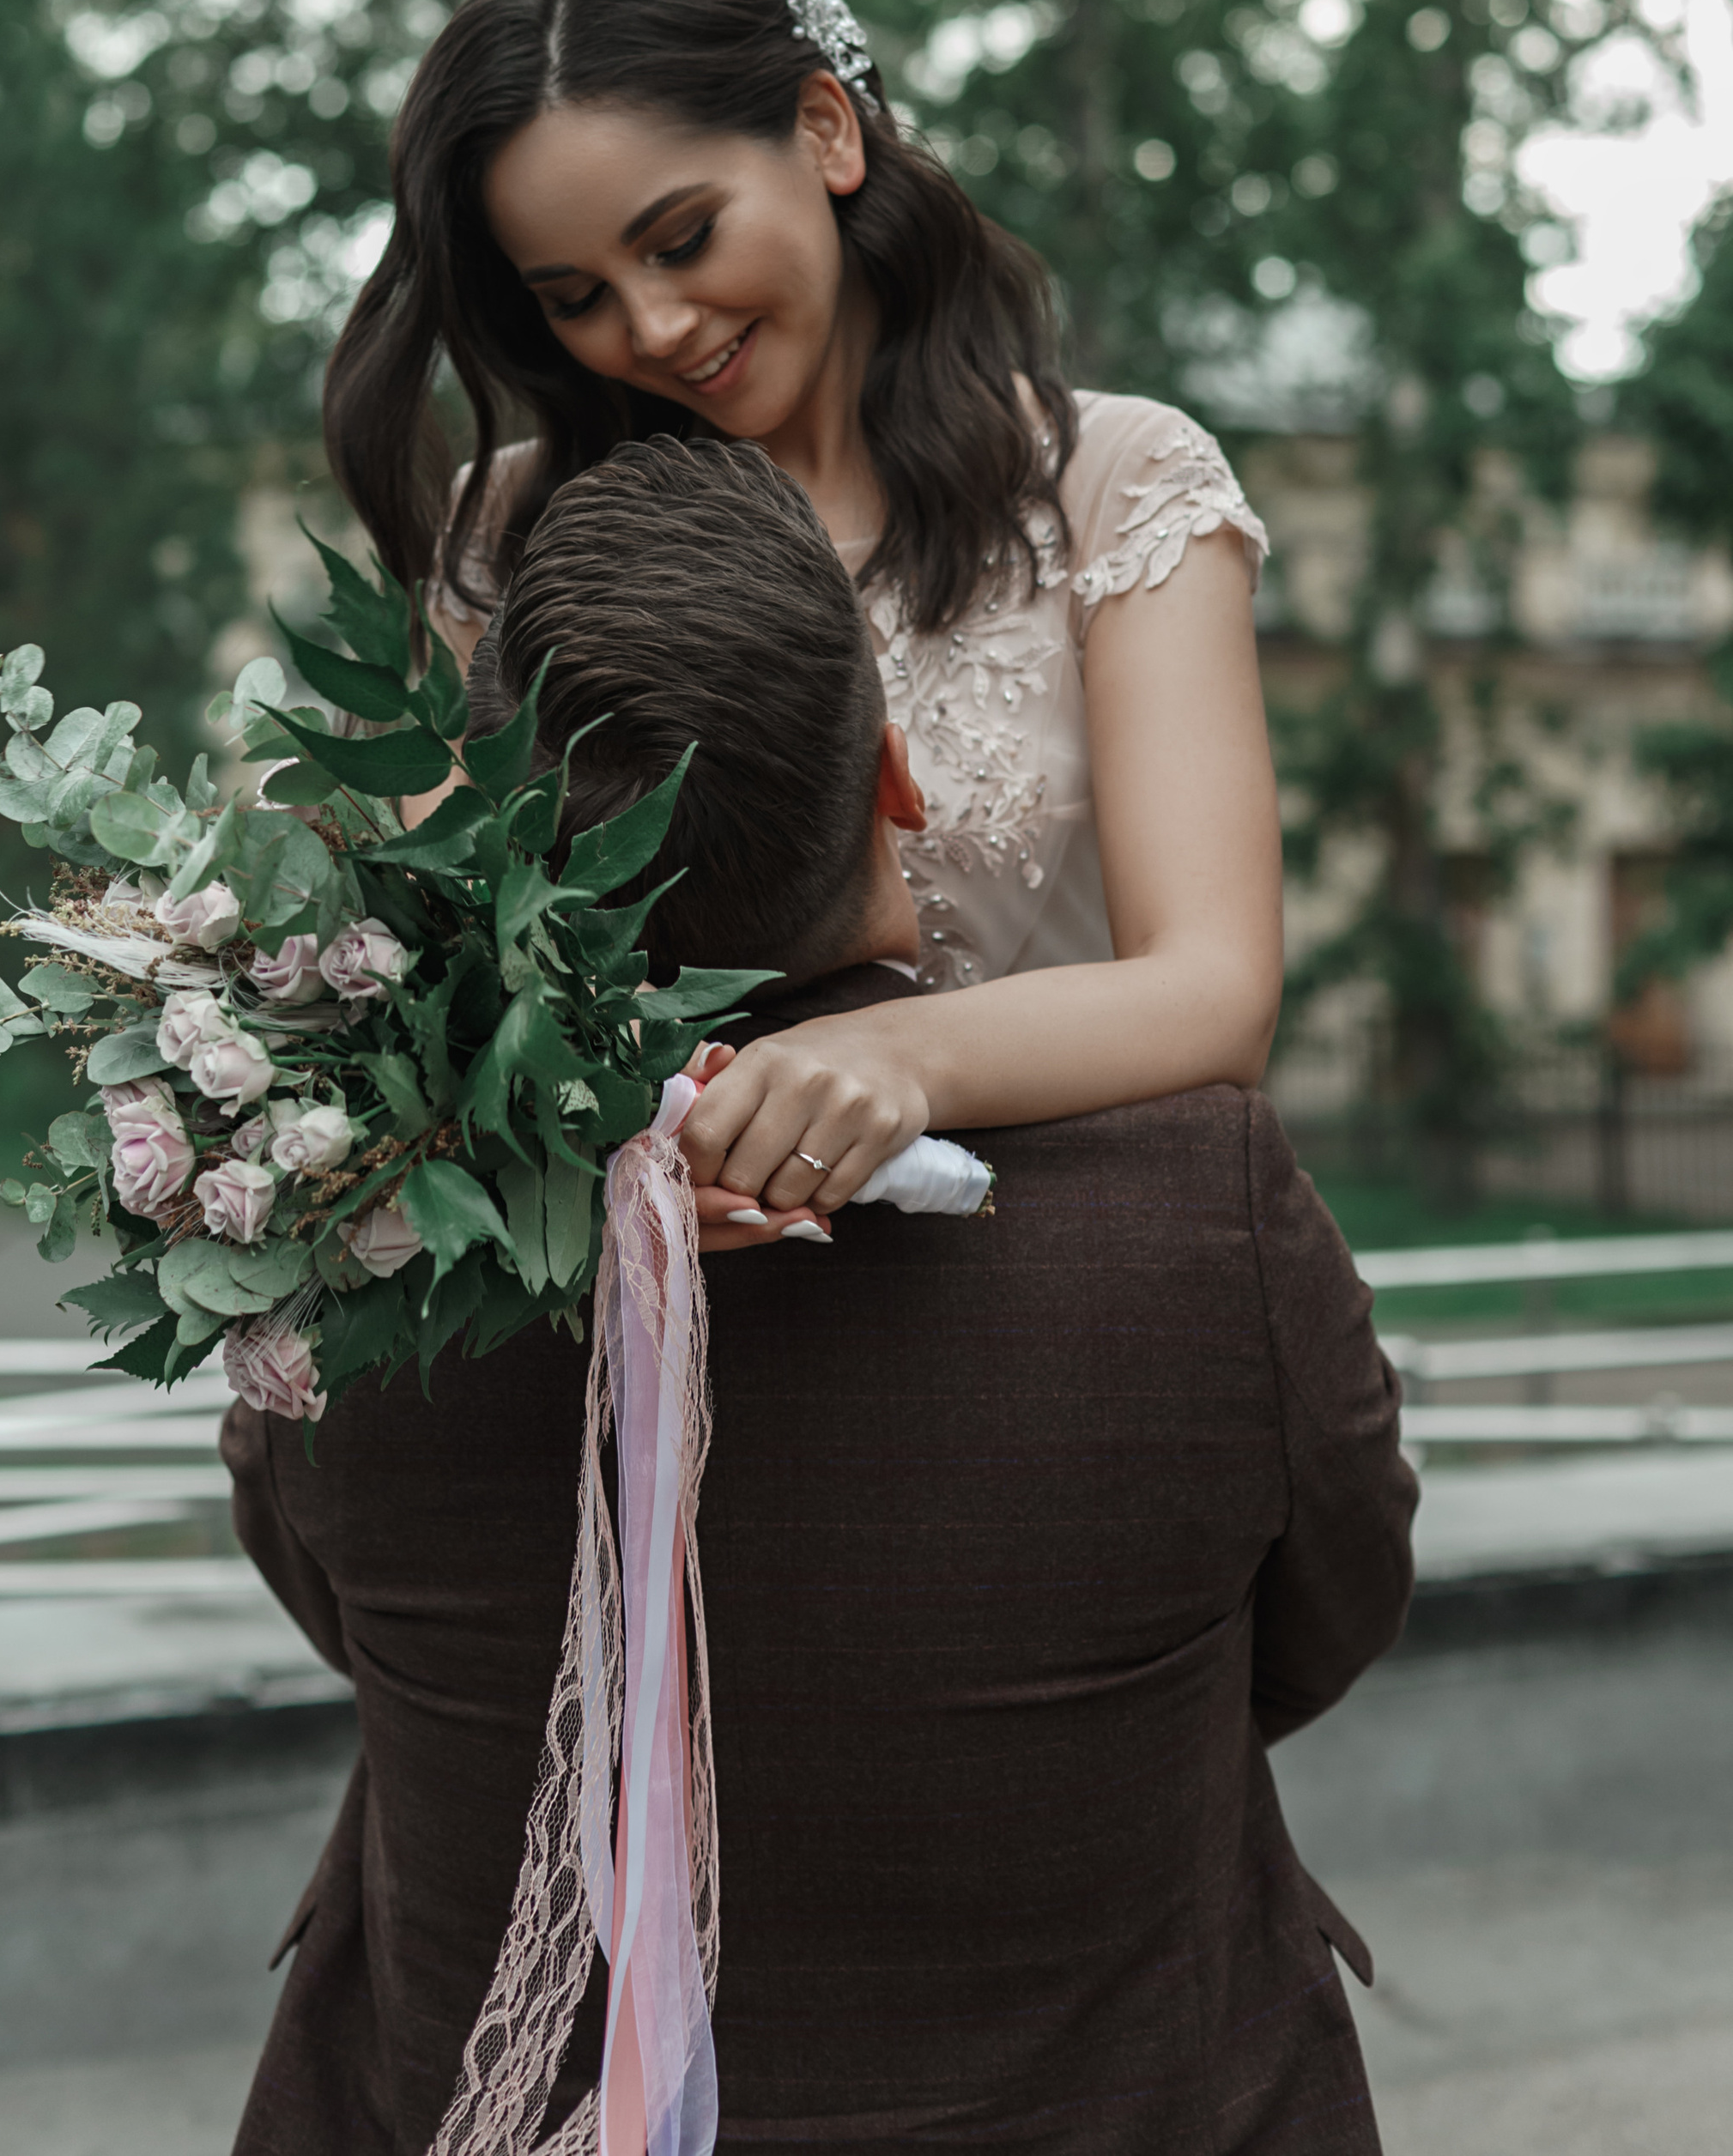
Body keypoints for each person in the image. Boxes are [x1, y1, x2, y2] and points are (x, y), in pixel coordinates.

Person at [222, 438, 1416, 2154]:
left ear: (488, 855)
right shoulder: (1194, 1211)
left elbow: (337, 1608)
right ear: (897, 779)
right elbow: (1328, 1606)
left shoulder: (363, 1238)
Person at [322, 0, 1284, 1226]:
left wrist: (887, 1061)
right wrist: (628, 1142)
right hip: (658, 1287)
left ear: (826, 131)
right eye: (575, 298)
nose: (653, 326)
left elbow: (1217, 990)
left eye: (681, 239)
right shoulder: (501, 537)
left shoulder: (1121, 486)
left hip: (1049, 1259)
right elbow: (434, 976)